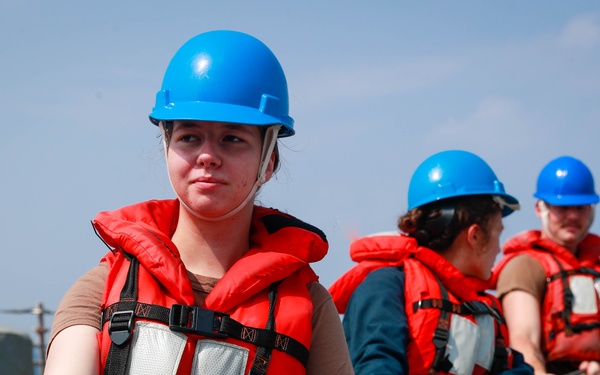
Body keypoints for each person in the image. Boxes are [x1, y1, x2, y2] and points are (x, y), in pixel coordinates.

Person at [44, 30, 354, 375]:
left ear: (268, 161)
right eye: (189, 137)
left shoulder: (311, 307)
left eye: (233, 138)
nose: (207, 156)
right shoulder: (100, 290)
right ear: (167, 149)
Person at [329, 150, 534, 375]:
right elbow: (377, 366)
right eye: (498, 233)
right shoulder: (384, 287)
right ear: (474, 236)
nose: (499, 247)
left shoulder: (482, 309)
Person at [493, 156, 600, 375]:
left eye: (581, 207)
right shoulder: (524, 266)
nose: (572, 215)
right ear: (540, 208)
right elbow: (523, 340)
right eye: (562, 207)